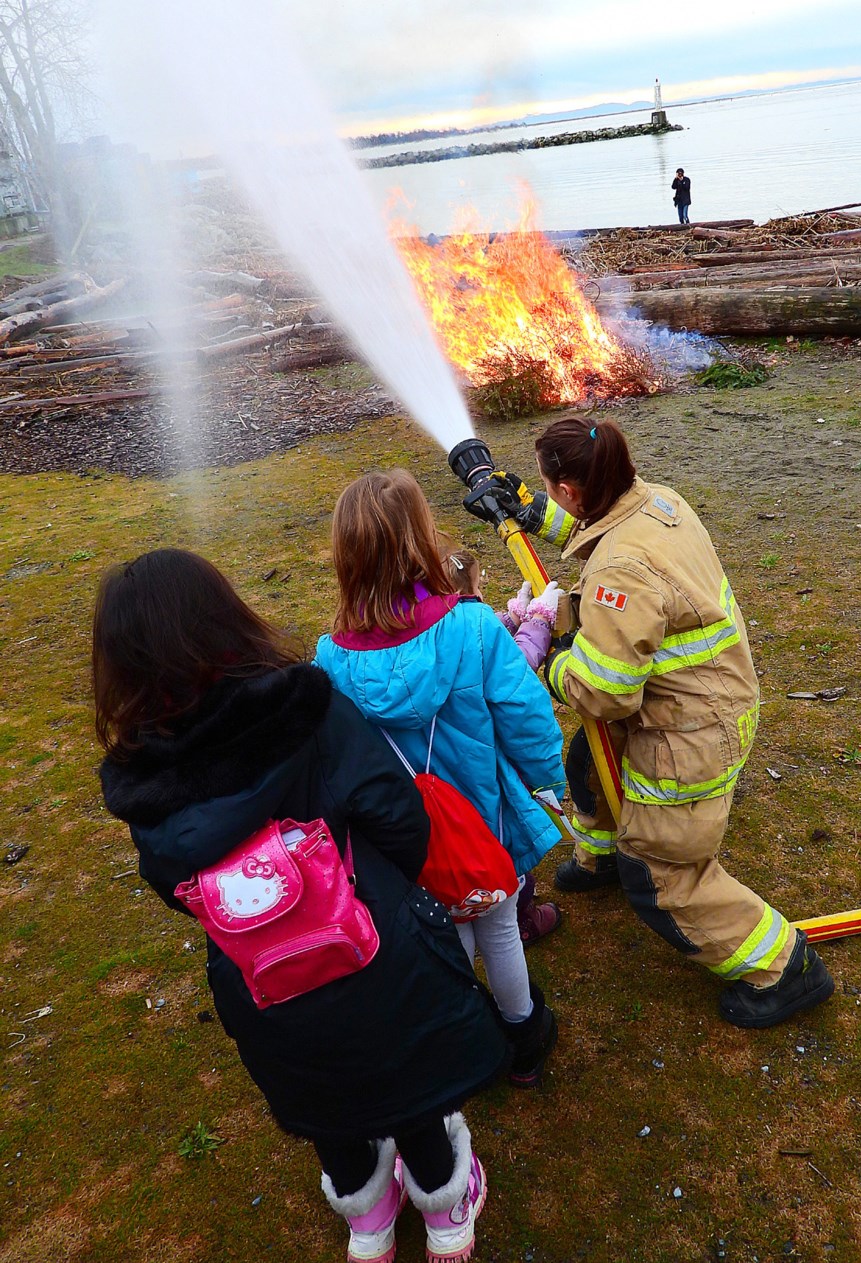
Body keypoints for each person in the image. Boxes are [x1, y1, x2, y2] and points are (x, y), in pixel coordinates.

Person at [94, 548, 508, 1263]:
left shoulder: (140, 773)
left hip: (260, 979)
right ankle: (446, 1211)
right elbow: (397, 813)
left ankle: (369, 1220)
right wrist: (380, 891)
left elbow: (170, 884)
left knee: (323, 1093)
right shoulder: (302, 704)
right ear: (224, 616)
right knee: (409, 1080)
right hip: (373, 943)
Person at [483, 417, 835, 1030]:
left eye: (548, 489)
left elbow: (605, 692)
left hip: (691, 733)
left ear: (572, 488)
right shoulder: (655, 501)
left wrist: (550, 653)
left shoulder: (624, 573)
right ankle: (602, 859)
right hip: (698, 698)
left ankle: (785, 968)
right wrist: (527, 510)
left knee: (665, 877)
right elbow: (599, 537)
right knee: (590, 766)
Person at [314, 471, 565, 1089]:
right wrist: (550, 782)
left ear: (346, 556)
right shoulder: (473, 628)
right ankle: (524, 1036)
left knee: (446, 928)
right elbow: (525, 715)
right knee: (498, 922)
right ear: (422, 540)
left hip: (401, 832)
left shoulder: (329, 657)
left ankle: (457, 1036)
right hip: (483, 816)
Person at [443, 549, 563, 948]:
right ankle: (521, 914)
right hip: (486, 768)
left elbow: (484, 639)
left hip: (443, 772)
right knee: (505, 850)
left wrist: (513, 617)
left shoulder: (435, 627)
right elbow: (515, 661)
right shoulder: (472, 626)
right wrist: (539, 622)